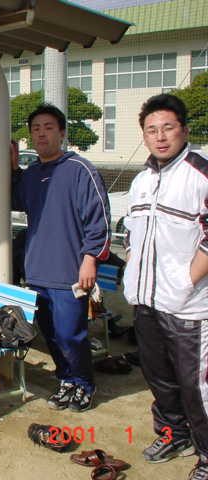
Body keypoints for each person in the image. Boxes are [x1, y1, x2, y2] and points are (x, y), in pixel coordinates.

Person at [122, 94, 208, 477]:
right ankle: (174, 434)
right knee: (159, 378)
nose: (159, 136)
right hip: (146, 301)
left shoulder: (200, 175)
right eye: (151, 130)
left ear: (184, 130)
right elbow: (131, 231)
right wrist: (132, 270)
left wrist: (185, 282)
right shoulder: (141, 180)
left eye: (167, 128)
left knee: (196, 386)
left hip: (190, 306)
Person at [12, 104, 111, 413]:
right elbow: (14, 201)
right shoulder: (31, 174)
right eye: (36, 129)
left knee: (71, 334)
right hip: (37, 270)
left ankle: (84, 384)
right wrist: (13, 169)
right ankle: (66, 380)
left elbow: (99, 220)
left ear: (62, 133)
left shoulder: (80, 169)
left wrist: (90, 259)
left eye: (48, 127)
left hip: (70, 271)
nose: (41, 134)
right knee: (51, 334)